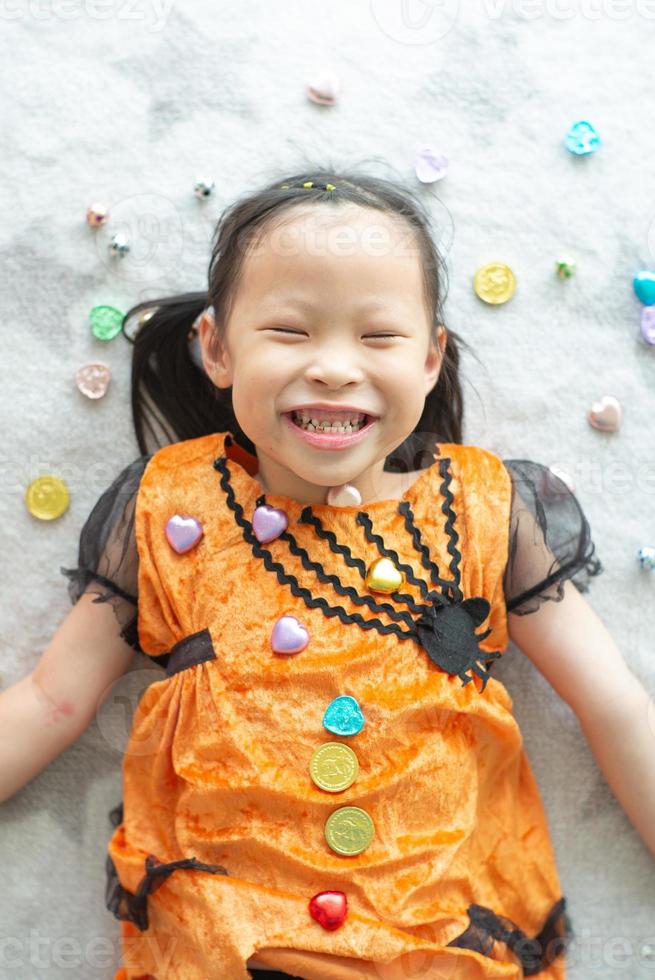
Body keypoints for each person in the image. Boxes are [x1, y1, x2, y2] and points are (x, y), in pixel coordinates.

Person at [1, 167, 653, 980]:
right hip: (227, 939)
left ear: (428, 359)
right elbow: (52, 700)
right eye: (291, 331)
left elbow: (615, 703)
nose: (335, 367)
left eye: (377, 337)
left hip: (434, 933)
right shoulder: (174, 508)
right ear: (216, 349)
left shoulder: (486, 509)